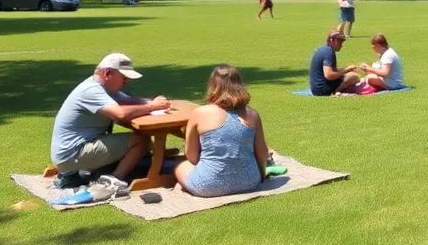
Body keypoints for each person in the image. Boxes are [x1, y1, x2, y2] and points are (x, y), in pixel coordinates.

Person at [50, 53, 170, 185]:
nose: (127, 81)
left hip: (72, 152)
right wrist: (152, 106)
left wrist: (152, 103)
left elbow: (128, 101)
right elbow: (120, 114)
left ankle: (122, 164)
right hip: (72, 155)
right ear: (107, 73)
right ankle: (115, 180)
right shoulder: (91, 90)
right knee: (141, 140)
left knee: (140, 140)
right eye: (123, 77)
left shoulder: (106, 89)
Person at [174, 65, 268, 197]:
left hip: (209, 185)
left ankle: (186, 185)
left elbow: (191, 156)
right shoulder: (252, 115)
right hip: (249, 182)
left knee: (181, 166)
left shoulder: (200, 113)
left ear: (212, 86)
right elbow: (262, 153)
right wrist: (262, 175)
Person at [309, 31, 361, 96]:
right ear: (333, 41)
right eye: (340, 42)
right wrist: (345, 71)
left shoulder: (322, 49)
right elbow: (329, 75)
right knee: (354, 77)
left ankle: (338, 91)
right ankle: (336, 92)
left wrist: (346, 70)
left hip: (315, 89)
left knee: (350, 76)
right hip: (323, 90)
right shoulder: (329, 52)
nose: (341, 45)